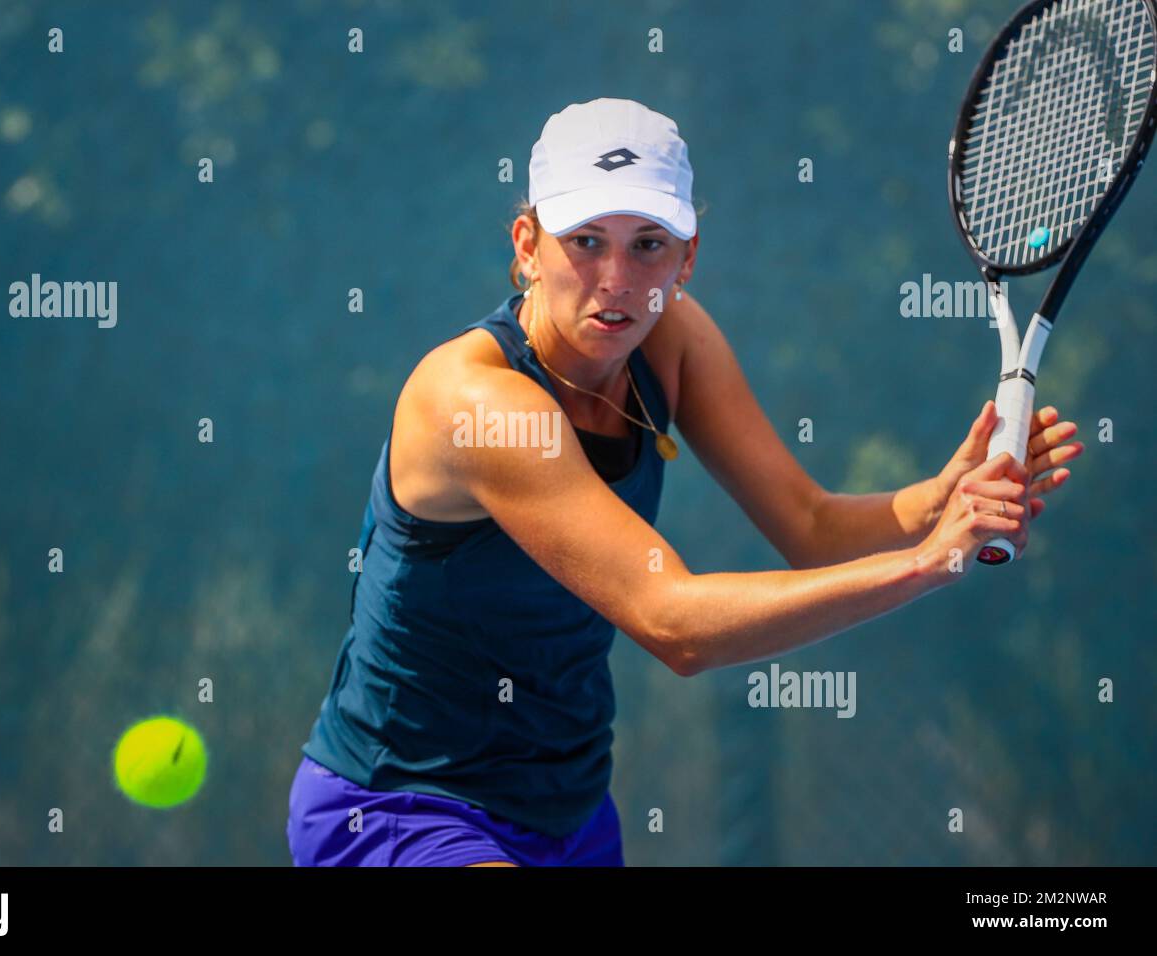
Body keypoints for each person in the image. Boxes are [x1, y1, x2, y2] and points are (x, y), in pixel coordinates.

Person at [286, 98, 1083, 867]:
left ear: (689, 255)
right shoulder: (474, 400)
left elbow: (810, 524)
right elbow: (674, 624)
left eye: (649, 244)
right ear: (527, 245)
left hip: (569, 811)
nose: (618, 278)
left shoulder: (673, 338)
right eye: (586, 240)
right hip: (400, 807)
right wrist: (928, 562)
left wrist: (939, 500)